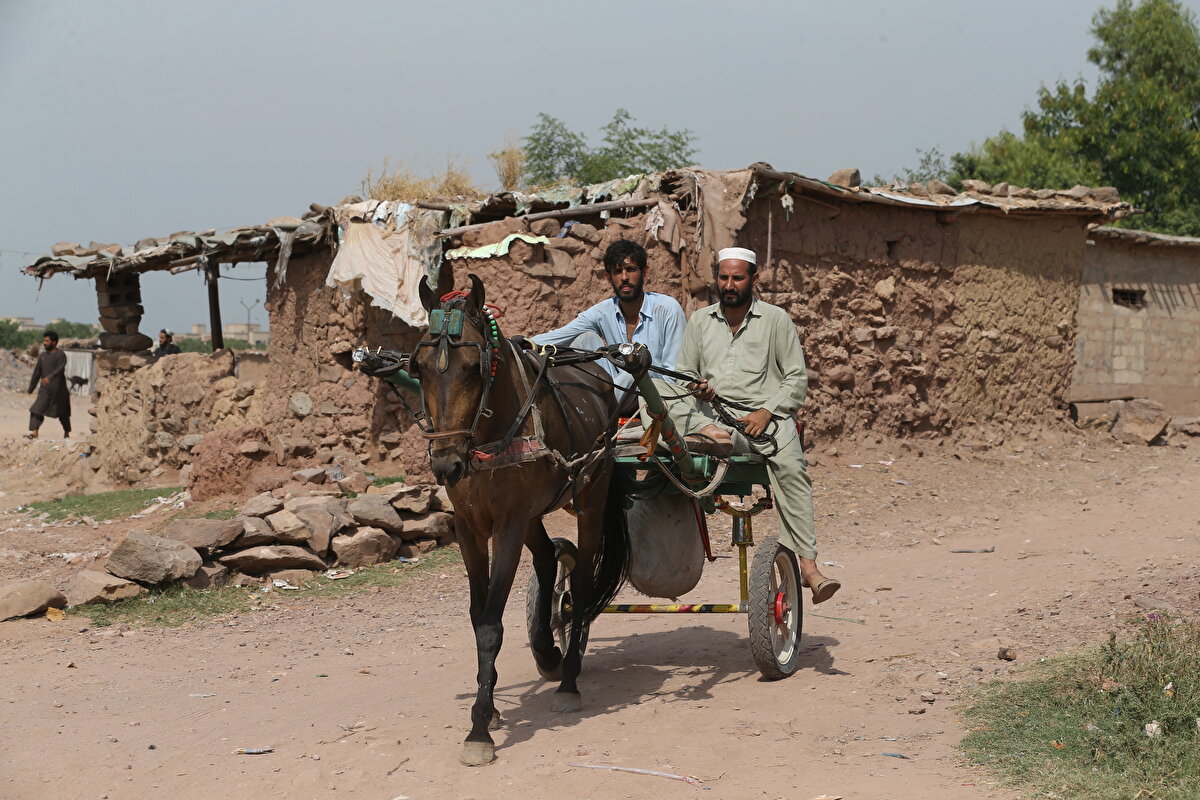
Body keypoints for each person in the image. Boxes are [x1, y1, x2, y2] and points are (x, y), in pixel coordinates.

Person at [669, 247, 841, 604]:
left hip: (763, 424)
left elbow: (795, 378)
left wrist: (767, 412)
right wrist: (696, 385)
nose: (729, 285)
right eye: (723, 277)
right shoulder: (700, 321)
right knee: (651, 385)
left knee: (793, 469)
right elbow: (684, 374)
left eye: (737, 278)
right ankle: (710, 435)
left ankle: (809, 567)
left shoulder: (776, 319)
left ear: (754, 279)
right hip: (711, 420)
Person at [530, 239, 685, 412]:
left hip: (657, 394)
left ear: (645, 273)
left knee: (636, 367)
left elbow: (674, 375)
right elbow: (559, 336)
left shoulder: (667, 308)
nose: (624, 278)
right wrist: (516, 345)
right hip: (619, 392)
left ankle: (595, 408)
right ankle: (598, 405)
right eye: (617, 272)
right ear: (608, 277)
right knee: (584, 340)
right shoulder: (603, 311)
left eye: (631, 270)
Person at [26, 330, 71, 440]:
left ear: (54, 342)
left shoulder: (61, 355)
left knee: (63, 413)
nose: (44, 343)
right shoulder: (42, 356)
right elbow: (37, 372)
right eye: (44, 341)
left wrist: (49, 378)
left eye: (47, 341)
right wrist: (31, 388)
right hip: (45, 390)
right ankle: (34, 433)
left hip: (59, 390)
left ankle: (66, 433)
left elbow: (60, 369)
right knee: (36, 409)